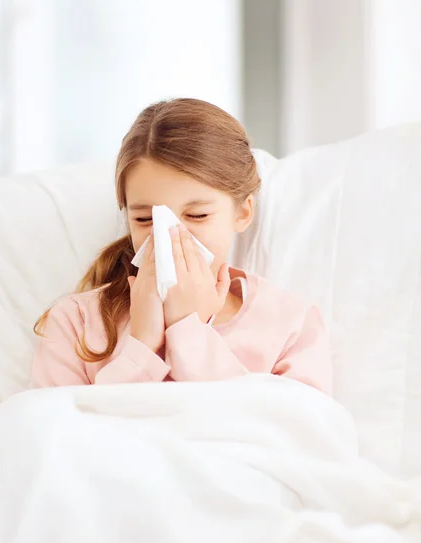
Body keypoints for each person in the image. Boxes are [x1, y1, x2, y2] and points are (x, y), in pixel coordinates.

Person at [32, 98, 332, 394]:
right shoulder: (75, 323)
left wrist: (190, 333)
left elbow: (292, 435)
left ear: (242, 212)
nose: (170, 236)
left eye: (197, 215)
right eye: (145, 219)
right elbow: (61, 436)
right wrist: (142, 346)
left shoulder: (290, 325)